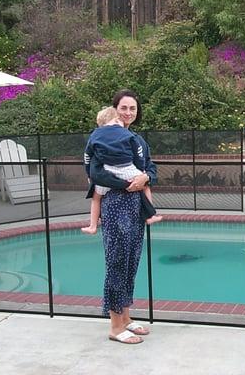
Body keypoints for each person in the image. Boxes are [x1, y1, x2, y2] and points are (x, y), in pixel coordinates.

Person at [85, 90, 157, 344]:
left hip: (136, 207)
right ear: (115, 109)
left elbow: (150, 167)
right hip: (116, 204)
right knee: (117, 262)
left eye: (133, 109)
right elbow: (95, 173)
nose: (129, 112)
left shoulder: (135, 139)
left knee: (131, 262)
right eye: (124, 108)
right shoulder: (102, 138)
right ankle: (115, 326)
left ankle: (125, 317)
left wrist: (145, 178)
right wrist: (126, 184)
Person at [82, 106, 162, 235]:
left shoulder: (95, 134)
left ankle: (92, 225)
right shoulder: (126, 133)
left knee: (96, 198)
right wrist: (141, 170)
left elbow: (87, 156)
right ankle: (150, 214)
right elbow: (138, 151)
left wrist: (89, 174)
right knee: (144, 185)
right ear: (117, 119)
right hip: (126, 168)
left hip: (106, 171)